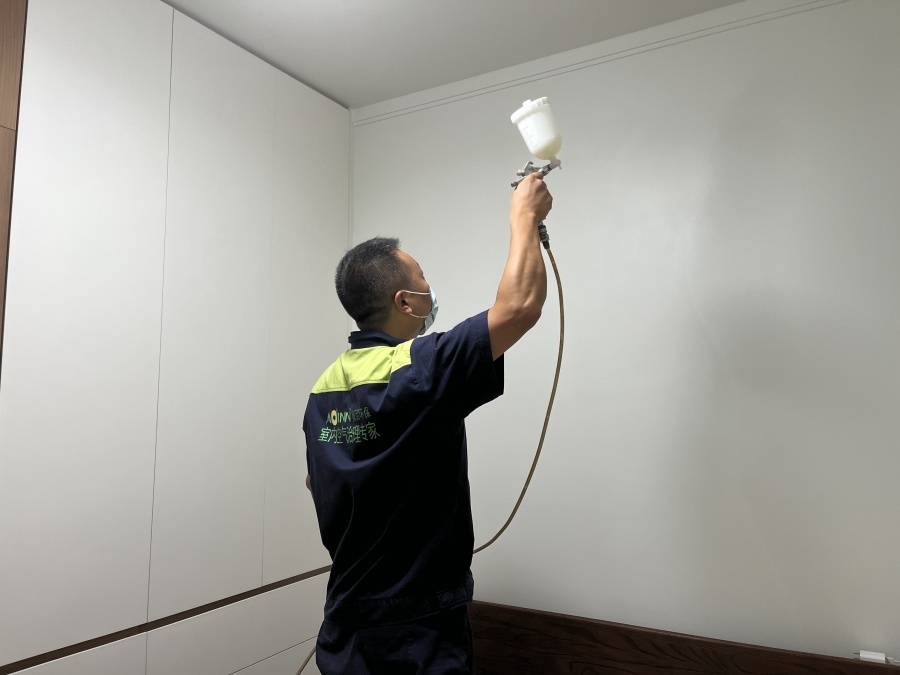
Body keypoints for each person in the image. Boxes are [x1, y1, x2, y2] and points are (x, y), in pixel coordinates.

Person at [304, 173, 552, 674]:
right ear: (404, 302)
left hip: (345, 627)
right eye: (422, 279)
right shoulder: (420, 367)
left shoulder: (323, 388)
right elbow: (520, 307)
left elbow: (317, 479)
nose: (429, 289)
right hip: (417, 635)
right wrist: (524, 215)